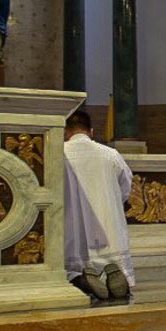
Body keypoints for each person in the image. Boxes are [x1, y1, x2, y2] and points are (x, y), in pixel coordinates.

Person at [63, 109, 134, 300]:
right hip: (107, 222)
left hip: (73, 223)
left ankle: (81, 276)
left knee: (73, 264)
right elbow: (126, 186)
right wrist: (113, 203)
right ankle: (114, 274)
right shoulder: (110, 154)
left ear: (66, 131)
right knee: (113, 254)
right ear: (91, 131)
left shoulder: (60, 154)